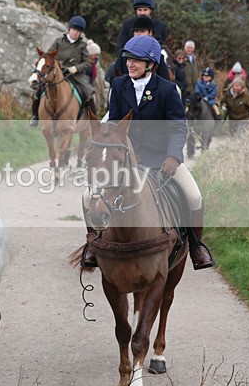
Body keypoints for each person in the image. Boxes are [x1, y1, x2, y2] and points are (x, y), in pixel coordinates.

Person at [80, 35, 215, 271]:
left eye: (137, 60)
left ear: (150, 64)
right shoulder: (120, 85)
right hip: (125, 160)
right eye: (129, 59)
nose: (131, 64)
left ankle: (196, 247)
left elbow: (177, 127)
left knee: (194, 197)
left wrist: (173, 157)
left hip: (160, 159)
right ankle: (94, 243)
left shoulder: (167, 89)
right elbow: (114, 123)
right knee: (86, 196)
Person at [31, 15, 92, 127]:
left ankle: (92, 120)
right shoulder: (59, 41)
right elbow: (48, 56)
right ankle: (35, 116)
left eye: (78, 31)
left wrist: (76, 68)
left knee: (88, 92)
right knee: (39, 89)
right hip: (57, 73)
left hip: (75, 75)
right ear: (69, 29)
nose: (75, 33)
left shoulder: (82, 45)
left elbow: (88, 62)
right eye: (74, 29)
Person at [114, 0, 169, 76]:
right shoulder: (127, 24)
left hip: (152, 56)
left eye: (145, 10)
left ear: (151, 11)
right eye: (140, 10)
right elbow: (120, 44)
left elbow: (162, 43)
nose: (142, 13)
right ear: (136, 11)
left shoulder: (160, 25)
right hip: (130, 55)